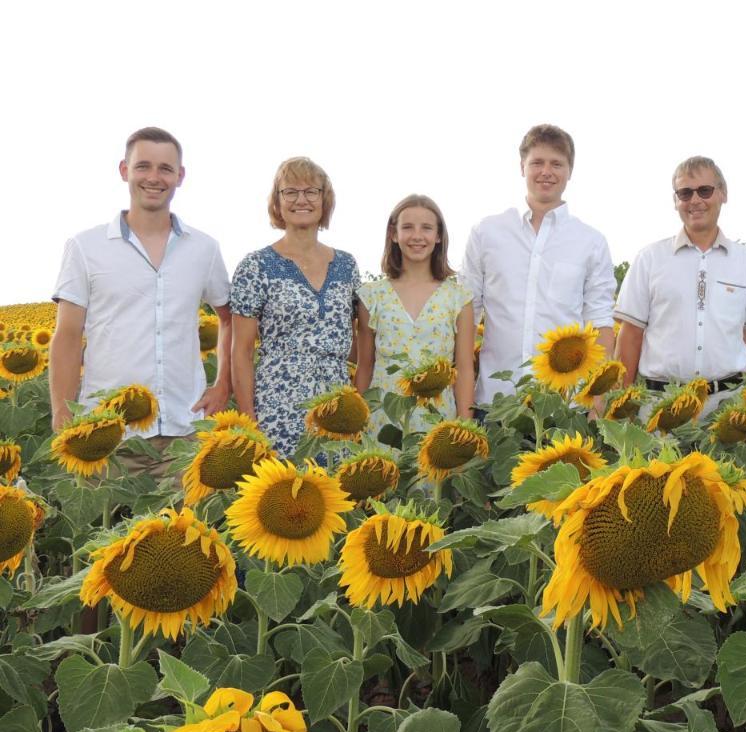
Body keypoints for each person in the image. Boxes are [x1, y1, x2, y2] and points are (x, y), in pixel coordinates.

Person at [49, 126, 232, 476]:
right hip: (107, 435)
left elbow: (228, 317)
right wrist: (61, 411)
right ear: (124, 170)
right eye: (143, 166)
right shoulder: (86, 247)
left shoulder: (204, 249)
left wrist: (223, 383)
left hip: (186, 432)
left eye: (165, 169)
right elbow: (68, 336)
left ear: (180, 176)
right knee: (103, 527)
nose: (154, 177)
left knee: (184, 530)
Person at [461, 124, 617, 408]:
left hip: (565, 406)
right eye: (537, 163)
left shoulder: (590, 242)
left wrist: (596, 403)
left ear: (570, 170)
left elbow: (601, 324)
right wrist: (463, 399)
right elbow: (467, 312)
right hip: (495, 401)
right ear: (522, 167)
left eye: (557, 163)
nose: (547, 171)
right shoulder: (487, 233)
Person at [614, 156, 746, 416]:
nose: (695, 200)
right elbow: (630, 334)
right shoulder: (650, 259)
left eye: (705, 190)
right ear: (676, 201)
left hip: (728, 405)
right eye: (685, 193)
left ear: (723, 194)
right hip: (659, 406)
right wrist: (620, 404)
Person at [230, 157, 361, 456]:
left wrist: (359, 400)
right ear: (277, 203)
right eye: (290, 192)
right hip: (277, 408)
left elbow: (361, 341)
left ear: (324, 201)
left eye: (311, 191)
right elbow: (242, 351)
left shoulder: (347, 265)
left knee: (339, 497)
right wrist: (249, 418)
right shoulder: (256, 266)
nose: (301, 199)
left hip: (336, 408)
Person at [353, 195, 475, 432]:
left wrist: (464, 428)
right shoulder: (372, 296)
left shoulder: (458, 298)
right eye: (407, 227)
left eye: (426, 228)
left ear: (438, 236)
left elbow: (464, 369)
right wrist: (357, 426)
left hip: (438, 424)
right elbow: (365, 366)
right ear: (394, 234)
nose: (417, 236)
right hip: (382, 422)